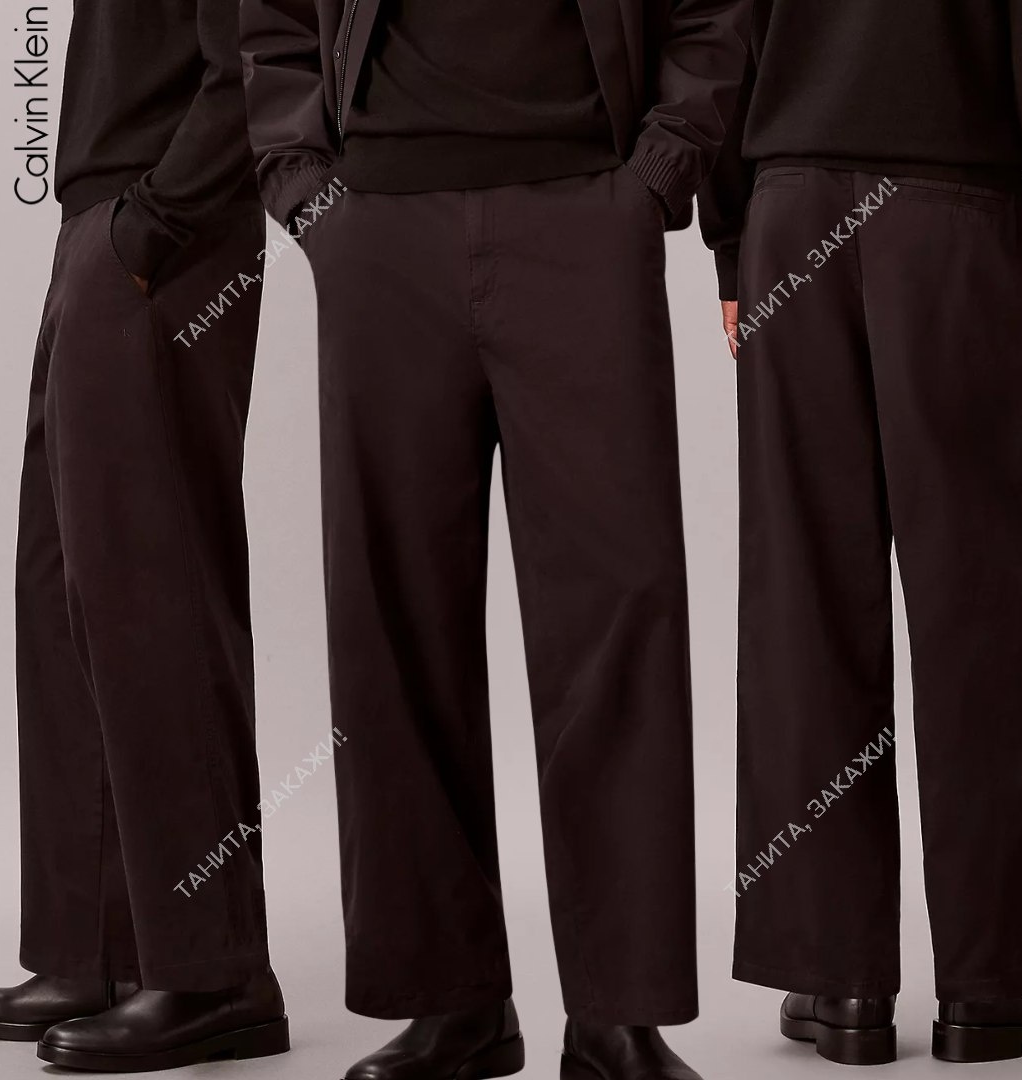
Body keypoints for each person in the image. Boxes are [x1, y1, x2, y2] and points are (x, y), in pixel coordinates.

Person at [240, 0, 750, 1076]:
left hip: (585, 209)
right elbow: (269, 18)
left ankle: (618, 1013)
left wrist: (657, 173)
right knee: (392, 622)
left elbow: (715, 12)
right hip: (379, 221)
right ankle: (452, 1002)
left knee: (618, 616)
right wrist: (306, 187)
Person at [699, 0, 1022, 1065]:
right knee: (990, 601)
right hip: (955, 217)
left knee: (806, 594)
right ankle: (1007, 979)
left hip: (789, 217)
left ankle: (838, 982)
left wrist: (734, 237)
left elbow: (720, 27)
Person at [0, 0, 288, 1071]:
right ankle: (96, 948)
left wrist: (155, 221)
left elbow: (254, 53)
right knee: (62, 587)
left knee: (152, 593)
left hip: (163, 230)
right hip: (102, 221)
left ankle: (213, 970)